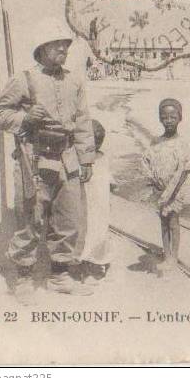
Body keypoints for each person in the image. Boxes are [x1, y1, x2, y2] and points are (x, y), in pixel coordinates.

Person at [0, 17, 96, 302]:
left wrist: (86, 159)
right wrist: (25, 117)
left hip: (67, 156)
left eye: (65, 45)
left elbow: (83, 120)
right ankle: (23, 278)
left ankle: (60, 275)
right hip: (33, 157)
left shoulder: (74, 80)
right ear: (42, 48)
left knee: (68, 217)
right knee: (31, 217)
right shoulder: (24, 79)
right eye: (57, 44)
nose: (63, 49)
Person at [141, 99, 190, 277]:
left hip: (175, 190)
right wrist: (153, 181)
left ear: (180, 118)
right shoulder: (156, 142)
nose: (168, 121)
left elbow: (184, 170)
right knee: (163, 221)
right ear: (160, 119)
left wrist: (171, 191)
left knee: (173, 221)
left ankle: (174, 257)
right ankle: (167, 254)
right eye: (164, 117)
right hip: (159, 189)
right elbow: (146, 161)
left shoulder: (182, 143)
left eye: (173, 117)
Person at [78, 119, 113, 285]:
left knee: (100, 234)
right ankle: (85, 270)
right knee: (86, 235)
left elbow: (108, 179)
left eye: (99, 142)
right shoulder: (80, 161)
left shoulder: (103, 158)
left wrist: (112, 186)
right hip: (86, 205)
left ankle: (99, 264)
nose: (96, 146)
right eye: (93, 143)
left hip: (101, 206)